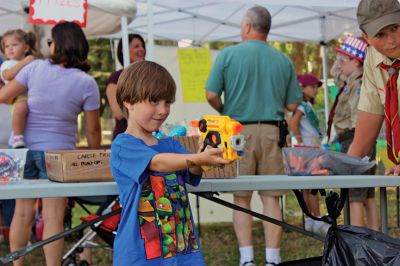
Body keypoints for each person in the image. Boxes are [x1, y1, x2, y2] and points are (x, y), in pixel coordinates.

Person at [205, 6, 302, 266]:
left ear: (247, 27)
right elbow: (294, 104)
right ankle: (273, 259)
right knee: (272, 197)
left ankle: (246, 259)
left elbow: (211, 94)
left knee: (242, 197)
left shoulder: (228, 55)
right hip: (273, 133)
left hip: (238, 133)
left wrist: (226, 112)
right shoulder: (283, 60)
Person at [0, 21, 101, 265]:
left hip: (25, 151)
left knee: (22, 213)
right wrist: (95, 156)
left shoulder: (35, 68)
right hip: (60, 156)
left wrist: (23, 104)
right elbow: (93, 129)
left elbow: (4, 95)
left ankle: (17, 264)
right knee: (53, 216)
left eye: (50, 42)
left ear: (57, 44)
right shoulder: (87, 83)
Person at [110, 60, 230, 265]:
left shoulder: (171, 145)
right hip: (140, 256)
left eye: (167, 102)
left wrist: (206, 155)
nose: (163, 110)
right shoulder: (123, 145)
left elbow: (192, 169)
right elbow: (157, 163)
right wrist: (197, 158)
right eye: (155, 101)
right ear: (129, 101)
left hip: (183, 253)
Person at [328, 35, 380, 230]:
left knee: (355, 195)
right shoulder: (350, 80)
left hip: (355, 138)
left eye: (343, 60)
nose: (339, 65)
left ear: (356, 61)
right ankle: (376, 235)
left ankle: (357, 239)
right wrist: (342, 54)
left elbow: (359, 120)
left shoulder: (358, 85)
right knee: (366, 195)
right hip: (357, 138)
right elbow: (335, 72)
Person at [290, 73, 330, 235]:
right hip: (308, 150)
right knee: (313, 186)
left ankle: (310, 220)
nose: (315, 90)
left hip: (307, 149)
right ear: (302, 88)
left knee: (307, 187)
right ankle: (318, 219)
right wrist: (300, 142)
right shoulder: (301, 106)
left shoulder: (305, 105)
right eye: (312, 87)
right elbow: (293, 125)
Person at [0, 29, 39, 148]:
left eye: (14, 45)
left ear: (26, 48)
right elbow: (7, 75)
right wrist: (24, 63)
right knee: (21, 107)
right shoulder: (8, 64)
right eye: (7, 46)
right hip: (19, 97)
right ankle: (17, 136)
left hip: (33, 95)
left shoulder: (31, 63)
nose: (10, 48)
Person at [106, 34, 146, 140]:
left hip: (149, 138)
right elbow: (119, 112)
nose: (142, 49)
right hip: (125, 138)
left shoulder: (148, 77)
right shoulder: (115, 78)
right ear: (124, 50)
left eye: (142, 46)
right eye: (136, 46)